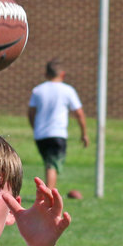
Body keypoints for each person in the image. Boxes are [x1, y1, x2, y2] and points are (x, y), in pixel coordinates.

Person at [27, 58, 89, 189]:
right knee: (52, 166)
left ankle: (48, 192)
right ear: (63, 74)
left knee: (49, 163)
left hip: (40, 135)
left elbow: (31, 112)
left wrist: (35, 127)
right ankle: (49, 196)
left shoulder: (37, 90)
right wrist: (84, 133)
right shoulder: (68, 90)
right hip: (58, 134)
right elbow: (79, 113)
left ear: (46, 74)